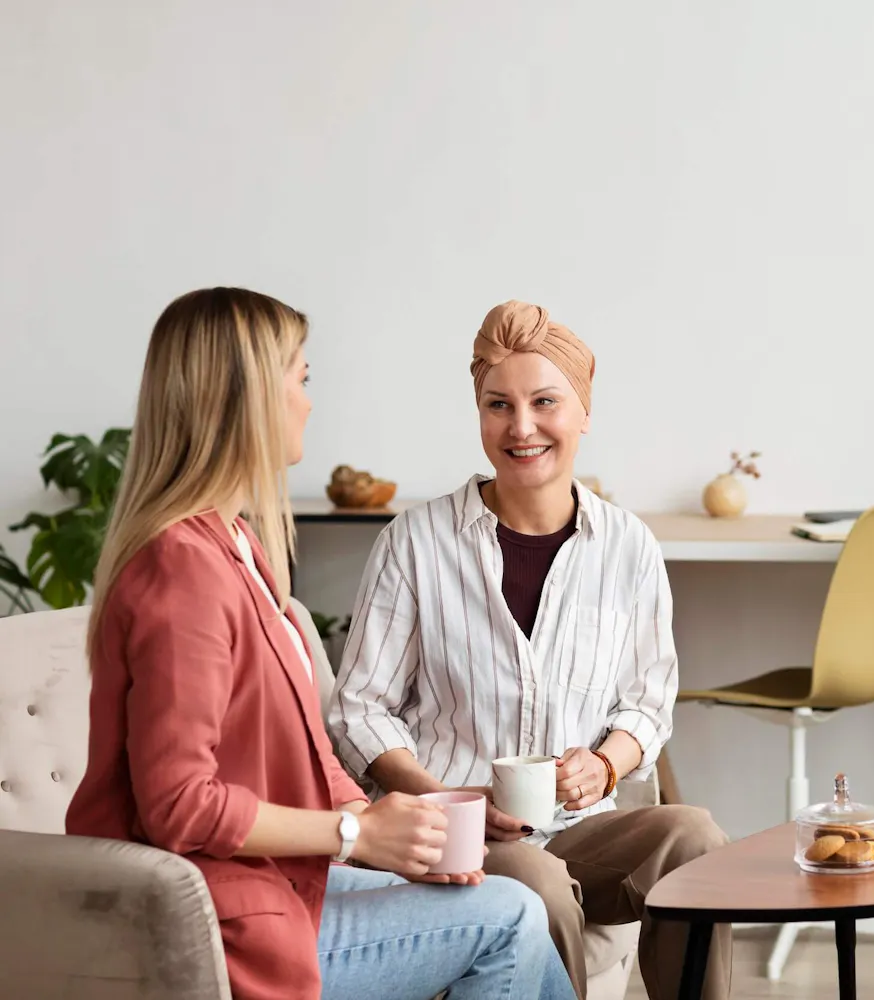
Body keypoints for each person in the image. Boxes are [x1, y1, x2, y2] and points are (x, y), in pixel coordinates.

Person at [64, 288, 575, 1000]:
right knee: (509, 915)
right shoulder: (181, 567)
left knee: (498, 902)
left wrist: (403, 825)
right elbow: (179, 802)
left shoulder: (236, 545)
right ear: (245, 399)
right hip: (212, 924)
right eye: (301, 379)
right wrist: (353, 838)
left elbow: (306, 750)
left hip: (273, 888)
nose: (309, 401)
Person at [327, 300, 732, 1000]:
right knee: (535, 878)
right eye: (497, 405)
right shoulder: (417, 542)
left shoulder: (627, 546)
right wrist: (451, 801)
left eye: (545, 402)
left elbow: (647, 700)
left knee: (693, 835)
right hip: (460, 840)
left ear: (583, 411)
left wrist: (604, 766)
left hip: (579, 830)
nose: (521, 427)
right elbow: (359, 710)